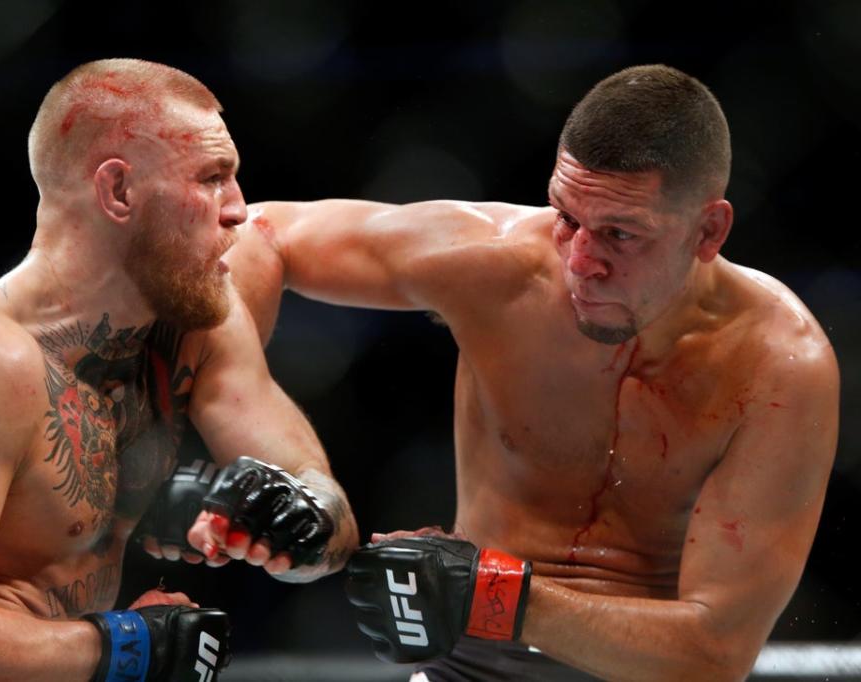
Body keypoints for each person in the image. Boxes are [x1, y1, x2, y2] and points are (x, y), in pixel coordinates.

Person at [217, 65, 840, 681]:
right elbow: (257, 233)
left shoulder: (777, 364)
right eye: (567, 217)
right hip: (466, 666)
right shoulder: (498, 264)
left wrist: (491, 593)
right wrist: (249, 407)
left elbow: (715, 653)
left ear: (709, 230)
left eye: (620, 234)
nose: (580, 261)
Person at [0, 58, 358, 681]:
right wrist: (128, 647)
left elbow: (329, 518)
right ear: (118, 191)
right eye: (212, 178)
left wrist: (296, 517)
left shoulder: (197, 322)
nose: (239, 211)